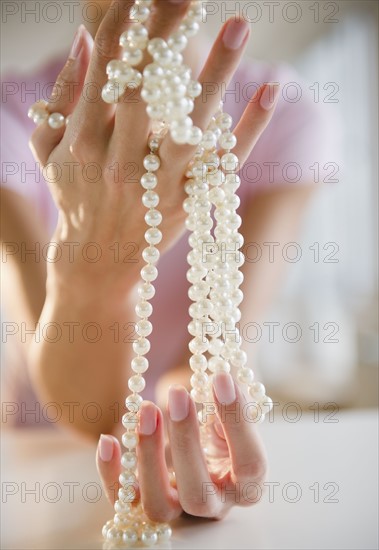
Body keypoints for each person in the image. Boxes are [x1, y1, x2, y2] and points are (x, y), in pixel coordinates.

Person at [1, 0, 326, 521]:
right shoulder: (16, 115)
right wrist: (92, 267)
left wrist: (193, 418)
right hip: (35, 474)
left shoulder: (279, 116)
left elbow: (226, 339)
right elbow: (59, 362)